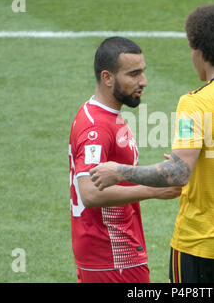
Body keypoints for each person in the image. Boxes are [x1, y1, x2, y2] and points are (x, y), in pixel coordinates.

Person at [90, 4, 214, 283]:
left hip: (199, 247)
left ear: (200, 51)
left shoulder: (196, 102)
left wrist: (118, 171)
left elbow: (177, 174)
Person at [68, 37, 181, 283]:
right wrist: (152, 190)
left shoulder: (104, 114)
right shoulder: (96, 127)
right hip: (112, 252)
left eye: (143, 72)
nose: (144, 82)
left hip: (111, 249)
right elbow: (89, 193)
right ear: (107, 78)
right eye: (134, 74)